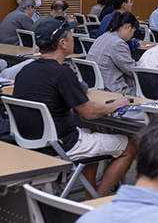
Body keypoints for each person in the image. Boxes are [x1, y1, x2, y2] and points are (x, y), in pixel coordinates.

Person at [13, 18, 137, 198]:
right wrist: (114, 105)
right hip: (64, 144)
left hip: (31, 143)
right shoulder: (62, 73)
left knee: (93, 136)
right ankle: (97, 201)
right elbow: (89, 112)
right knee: (130, 146)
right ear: (62, 43)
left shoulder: (25, 71)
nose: (73, 38)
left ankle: (90, 194)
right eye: (70, 35)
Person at [88, 12, 140, 93]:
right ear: (128, 27)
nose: (132, 35)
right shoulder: (118, 44)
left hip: (95, 88)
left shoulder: (103, 37)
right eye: (133, 31)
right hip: (113, 91)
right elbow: (132, 71)